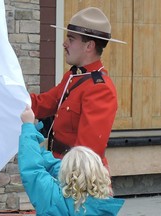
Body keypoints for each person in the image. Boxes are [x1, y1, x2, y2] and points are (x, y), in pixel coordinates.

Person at [30, 7, 126, 167]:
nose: (64, 43)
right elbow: (42, 104)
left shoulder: (100, 89)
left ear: (89, 46)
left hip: (78, 177)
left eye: (71, 39)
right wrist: (6, 96)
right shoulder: (73, 76)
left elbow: (87, 153)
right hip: (59, 166)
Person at [18, 105, 124, 215]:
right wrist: (38, 147)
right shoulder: (104, 205)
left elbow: (32, 169)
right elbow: (57, 167)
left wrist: (28, 129)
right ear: (100, 172)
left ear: (66, 171)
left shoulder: (52, 197)